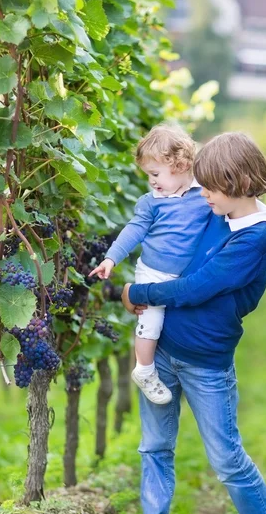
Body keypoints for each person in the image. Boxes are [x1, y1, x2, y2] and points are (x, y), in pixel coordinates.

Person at [121, 132, 266, 514]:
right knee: (154, 446)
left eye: (210, 188)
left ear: (237, 183)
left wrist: (137, 290)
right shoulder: (215, 209)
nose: (202, 195)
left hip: (206, 361)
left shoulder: (256, 237)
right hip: (163, 349)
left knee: (225, 456)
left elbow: (200, 286)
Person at [89, 124, 211, 404]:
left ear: (181, 165)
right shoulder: (151, 202)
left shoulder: (204, 195)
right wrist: (111, 258)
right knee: (151, 321)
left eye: (156, 174)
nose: (152, 181)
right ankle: (144, 370)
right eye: (148, 176)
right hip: (153, 273)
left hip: (184, 277)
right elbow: (133, 230)